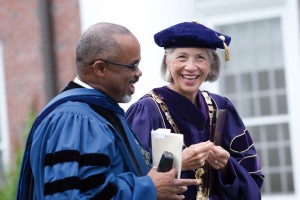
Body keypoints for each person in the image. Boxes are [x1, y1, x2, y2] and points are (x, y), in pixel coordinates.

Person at [16, 22, 200, 200]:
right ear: (100, 68)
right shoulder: (76, 119)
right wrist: (149, 188)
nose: (139, 73)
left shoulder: (99, 112)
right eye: (132, 66)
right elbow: (74, 194)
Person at [125, 20, 265, 200]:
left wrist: (225, 166)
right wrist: (179, 162)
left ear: (211, 64)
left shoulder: (222, 108)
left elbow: (251, 178)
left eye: (200, 57)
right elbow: (131, 180)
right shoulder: (146, 111)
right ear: (168, 62)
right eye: (182, 57)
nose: (191, 67)